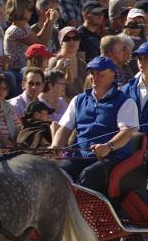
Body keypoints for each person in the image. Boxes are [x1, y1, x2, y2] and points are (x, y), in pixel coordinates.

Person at [52, 56, 139, 194]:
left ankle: (84, 214)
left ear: (112, 74)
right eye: (92, 73)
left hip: (111, 157)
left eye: (99, 73)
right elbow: (65, 128)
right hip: (79, 155)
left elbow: (127, 132)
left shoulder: (125, 102)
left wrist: (108, 147)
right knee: (58, 173)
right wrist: (56, 146)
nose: (94, 76)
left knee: (88, 175)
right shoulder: (78, 100)